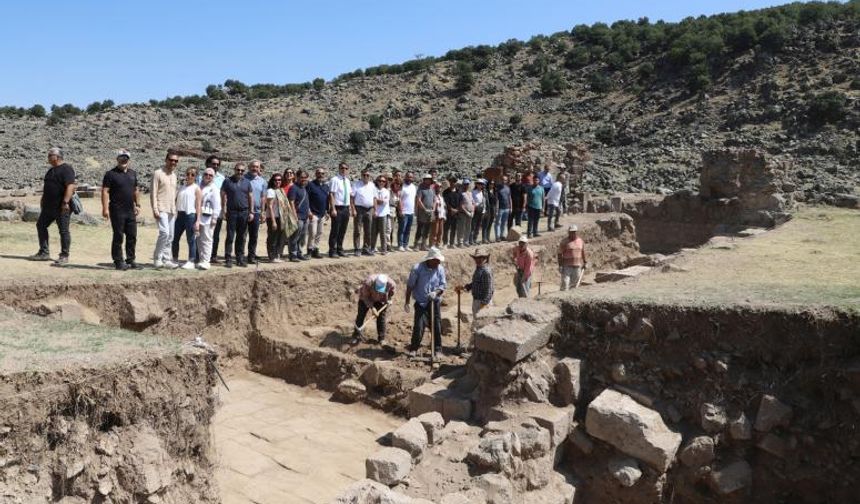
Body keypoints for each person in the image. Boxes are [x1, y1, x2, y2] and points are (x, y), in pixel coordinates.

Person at [32, 147, 75, 265]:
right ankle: (44, 252)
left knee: (63, 231)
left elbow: (70, 186)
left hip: (61, 207)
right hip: (48, 207)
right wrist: (42, 200)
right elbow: (48, 188)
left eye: (50, 155)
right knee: (41, 225)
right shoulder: (51, 171)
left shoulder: (67, 169)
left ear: (57, 156)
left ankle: (64, 256)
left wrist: (65, 202)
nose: (48, 157)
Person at [101, 149, 141, 270]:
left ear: (128, 160)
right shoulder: (110, 174)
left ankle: (131, 259)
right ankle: (118, 261)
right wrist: (105, 208)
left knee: (132, 235)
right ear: (117, 159)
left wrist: (138, 205)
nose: (123, 160)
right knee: (118, 236)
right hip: (117, 209)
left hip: (130, 210)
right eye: (121, 158)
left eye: (126, 158)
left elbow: (136, 190)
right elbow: (105, 191)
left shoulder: (132, 173)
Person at [405, 247, 447, 354]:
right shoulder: (417, 269)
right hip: (421, 302)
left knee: (436, 325)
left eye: (439, 261)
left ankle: (437, 349)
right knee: (419, 325)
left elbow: (442, 285)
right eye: (436, 260)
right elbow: (410, 286)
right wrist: (407, 302)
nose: (438, 262)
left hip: (434, 302)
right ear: (430, 259)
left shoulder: (440, 269)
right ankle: (414, 348)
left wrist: (436, 292)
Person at [220, 163, 253, 268]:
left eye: (242, 171)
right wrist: (223, 209)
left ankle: (240, 258)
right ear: (234, 170)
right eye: (238, 170)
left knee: (241, 236)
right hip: (232, 212)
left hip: (244, 212)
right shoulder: (227, 181)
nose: (240, 172)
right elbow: (223, 195)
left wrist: (251, 212)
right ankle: (228, 259)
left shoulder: (247, 182)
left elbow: (250, 197)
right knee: (230, 236)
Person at [151, 152, 179, 269]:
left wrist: (175, 209)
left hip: (171, 210)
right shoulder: (158, 173)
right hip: (161, 208)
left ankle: (166, 259)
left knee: (171, 236)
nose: (173, 162)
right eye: (171, 160)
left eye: (176, 161)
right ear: (166, 160)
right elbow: (153, 192)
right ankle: (157, 258)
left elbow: (174, 194)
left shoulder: (174, 175)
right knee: (164, 233)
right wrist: (155, 209)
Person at [352, 273, 396, 344]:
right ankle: (356, 336)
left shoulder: (391, 284)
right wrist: (372, 308)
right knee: (361, 315)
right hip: (366, 298)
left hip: (381, 299)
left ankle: (381, 339)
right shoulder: (368, 282)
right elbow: (365, 297)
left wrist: (390, 299)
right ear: (375, 283)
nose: (379, 290)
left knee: (381, 318)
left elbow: (391, 293)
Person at [172, 167, 202, 269]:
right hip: (180, 215)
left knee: (191, 239)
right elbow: (176, 201)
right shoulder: (182, 187)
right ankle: (175, 259)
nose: (189, 176)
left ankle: (191, 260)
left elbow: (198, 206)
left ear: (196, 177)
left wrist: (198, 220)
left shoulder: (196, 188)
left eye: (192, 175)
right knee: (175, 238)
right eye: (188, 174)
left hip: (190, 216)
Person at [197, 155, 225, 263]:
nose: (215, 166)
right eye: (213, 163)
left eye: (217, 164)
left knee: (212, 236)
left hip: (213, 213)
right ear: (208, 163)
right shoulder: (200, 178)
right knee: (199, 237)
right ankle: (199, 258)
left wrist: (217, 215)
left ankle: (210, 258)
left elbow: (221, 197)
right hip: (200, 213)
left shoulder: (221, 179)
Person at [463, 248, 494, 325]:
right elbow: (476, 282)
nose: (478, 260)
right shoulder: (479, 268)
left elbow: (489, 290)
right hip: (477, 300)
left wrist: (484, 304)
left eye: (480, 258)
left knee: (481, 325)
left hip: (482, 301)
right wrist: (468, 286)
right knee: (477, 323)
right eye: (476, 258)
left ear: (485, 258)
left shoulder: (486, 271)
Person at [328, 162, 352, 258]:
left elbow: (349, 195)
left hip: (346, 208)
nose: (344, 170)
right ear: (339, 168)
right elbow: (331, 194)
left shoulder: (347, 181)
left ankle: (340, 249)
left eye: (346, 168)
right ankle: (332, 250)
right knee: (335, 230)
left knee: (343, 230)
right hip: (337, 208)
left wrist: (350, 207)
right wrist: (333, 208)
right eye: (342, 168)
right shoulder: (334, 180)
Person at [245, 160, 267, 264]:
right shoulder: (243, 179)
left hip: (257, 211)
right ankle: (240, 256)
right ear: (249, 167)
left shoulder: (262, 181)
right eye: (253, 166)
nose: (255, 168)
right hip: (244, 210)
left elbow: (263, 197)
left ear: (259, 169)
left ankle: (251, 256)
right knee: (242, 235)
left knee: (254, 236)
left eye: (257, 167)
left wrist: (263, 212)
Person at [287, 169, 310, 261]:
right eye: (302, 177)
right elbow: (291, 202)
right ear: (297, 177)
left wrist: (309, 212)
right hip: (298, 216)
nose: (303, 179)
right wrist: (294, 215)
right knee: (295, 236)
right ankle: (292, 254)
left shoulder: (304, 188)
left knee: (302, 236)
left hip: (305, 216)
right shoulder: (294, 188)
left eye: (305, 177)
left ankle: (299, 252)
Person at [306, 167, 329, 259]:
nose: (320, 175)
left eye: (322, 173)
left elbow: (326, 199)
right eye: (319, 173)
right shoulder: (310, 185)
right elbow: (306, 199)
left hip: (322, 214)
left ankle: (316, 249)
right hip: (313, 213)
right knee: (312, 233)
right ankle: (309, 250)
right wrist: (309, 211)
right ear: (315, 174)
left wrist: (327, 211)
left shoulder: (325, 186)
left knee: (319, 233)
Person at [352, 167, 375, 256]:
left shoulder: (372, 185)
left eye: (367, 175)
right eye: (364, 175)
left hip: (369, 209)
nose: (366, 176)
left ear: (370, 176)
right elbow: (352, 197)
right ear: (361, 176)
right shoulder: (356, 184)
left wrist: (374, 209)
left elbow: (374, 198)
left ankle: (366, 248)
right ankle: (357, 248)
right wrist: (353, 208)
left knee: (368, 230)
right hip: (359, 209)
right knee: (358, 229)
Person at [264, 173, 288, 262]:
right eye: (276, 180)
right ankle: (272, 256)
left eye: (279, 180)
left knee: (279, 237)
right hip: (273, 217)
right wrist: (273, 221)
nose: (277, 181)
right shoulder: (271, 191)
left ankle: (277, 255)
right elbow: (269, 206)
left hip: (281, 217)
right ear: (272, 181)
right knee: (272, 236)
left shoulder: (281, 191)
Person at [557, 224, 587, 291]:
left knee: (575, 285)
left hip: (577, 266)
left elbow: (583, 252)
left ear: (576, 232)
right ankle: (562, 296)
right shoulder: (564, 242)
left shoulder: (580, 241)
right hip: (566, 266)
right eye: (571, 232)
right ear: (569, 232)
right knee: (565, 283)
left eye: (574, 232)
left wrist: (585, 262)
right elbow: (559, 254)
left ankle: (571, 298)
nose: (572, 233)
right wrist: (560, 265)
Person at [414, 174, 435, 251]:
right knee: (420, 228)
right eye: (426, 179)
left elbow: (434, 200)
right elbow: (419, 200)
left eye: (429, 179)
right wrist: (425, 209)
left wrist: (433, 209)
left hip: (430, 212)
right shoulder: (421, 189)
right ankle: (416, 245)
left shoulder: (432, 190)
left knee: (427, 229)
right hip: (422, 212)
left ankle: (423, 245)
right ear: (424, 180)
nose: (428, 180)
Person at [370, 174, 390, 255]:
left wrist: (376, 200)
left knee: (383, 233)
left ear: (385, 182)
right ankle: (372, 248)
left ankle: (383, 249)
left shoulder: (387, 191)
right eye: (380, 181)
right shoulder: (374, 190)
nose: (381, 182)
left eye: (383, 181)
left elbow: (383, 202)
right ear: (377, 181)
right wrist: (376, 201)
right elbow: (373, 200)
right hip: (375, 213)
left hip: (383, 214)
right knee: (374, 232)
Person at [398, 171, 417, 251]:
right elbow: (399, 199)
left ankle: (406, 245)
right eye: (408, 177)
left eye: (411, 177)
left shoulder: (414, 187)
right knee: (402, 228)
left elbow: (414, 199)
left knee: (408, 229)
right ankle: (400, 245)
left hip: (411, 211)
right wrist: (401, 210)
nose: (410, 178)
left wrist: (415, 210)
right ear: (405, 177)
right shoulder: (402, 187)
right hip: (404, 211)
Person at [442, 175, 460, 248]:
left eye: (454, 182)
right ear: (449, 182)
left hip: (456, 213)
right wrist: (451, 209)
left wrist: (457, 210)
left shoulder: (458, 192)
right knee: (446, 228)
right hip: (448, 213)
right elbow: (445, 202)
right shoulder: (446, 192)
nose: (453, 183)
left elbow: (460, 201)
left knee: (454, 228)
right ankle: (445, 243)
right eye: (451, 181)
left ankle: (452, 243)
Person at [456, 179, 474, 247]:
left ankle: (466, 241)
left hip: (470, 212)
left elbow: (473, 203)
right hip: (463, 213)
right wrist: (466, 212)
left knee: (468, 228)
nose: (466, 185)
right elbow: (461, 205)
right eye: (465, 184)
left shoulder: (470, 193)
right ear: (463, 185)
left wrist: (472, 211)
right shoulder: (461, 193)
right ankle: (460, 242)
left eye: (467, 184)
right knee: (461, 228)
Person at [495, 175, 512, 242]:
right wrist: (496, 208)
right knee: (498, 223)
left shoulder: (508, 188)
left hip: (507, 208)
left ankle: (502, 235)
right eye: (502, 179)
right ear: (500, 180)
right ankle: (497, 237)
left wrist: (511, 207)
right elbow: (497, 199)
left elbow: (510, 198)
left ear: (507, 181)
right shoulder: (497, 188)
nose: (503, 181)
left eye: (505, 180)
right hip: (500, 208)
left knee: (504, 223)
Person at [388, 170, 402, 248]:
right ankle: (387, 244)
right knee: (388, 228)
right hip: (390, 208)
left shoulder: (400, 187)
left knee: (392, 228)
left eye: (399, 175)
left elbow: (399, 200)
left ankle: (390, 244)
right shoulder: (390, 187)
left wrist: (400, 210)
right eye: (396, 175)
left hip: (396, 209)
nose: (398, 177)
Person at [430, 182, 446, 248]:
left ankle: (438, 243)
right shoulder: (433, 196)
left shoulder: (441, 197)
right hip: (436, 216)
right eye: (437, 187)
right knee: (435, 231)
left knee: (440, 231)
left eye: (440, 187)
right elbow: (433, 207)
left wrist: (444, 216)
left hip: (441, 215)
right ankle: (432, 244)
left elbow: (443, 207)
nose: (439, 188)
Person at [470, 179, 486, 245]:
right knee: (473, 225)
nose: (480, 185)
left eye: (481, 184)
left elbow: (484, 202)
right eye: (479, 184)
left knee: (478, 225)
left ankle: (475, 239)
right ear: (476, 184)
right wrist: (476, 206)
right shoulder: (473, 192)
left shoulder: (483, 192)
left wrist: (484, 210)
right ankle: (470, 240)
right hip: (476, 210)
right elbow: (472, 200)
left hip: (481, 210)